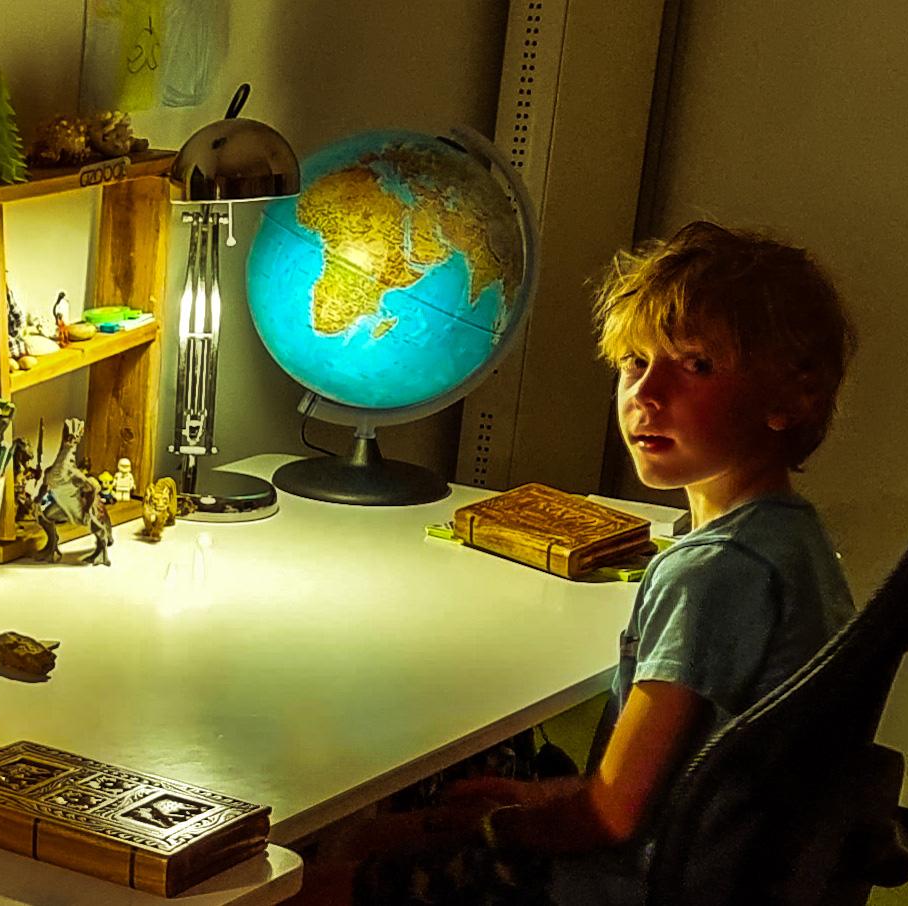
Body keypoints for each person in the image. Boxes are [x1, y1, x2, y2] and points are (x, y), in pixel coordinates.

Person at [303, 220, 857, 905]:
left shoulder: (715, 573)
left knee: (315, 884)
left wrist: (502, 823)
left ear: (789, 399)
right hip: (711, 865)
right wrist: (538, 794)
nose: (645, 396)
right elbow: (672, 776)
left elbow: (611, 815)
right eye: (634, 362)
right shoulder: (794, 542)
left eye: (696, 366)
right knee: (386, 833)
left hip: (620, 887)